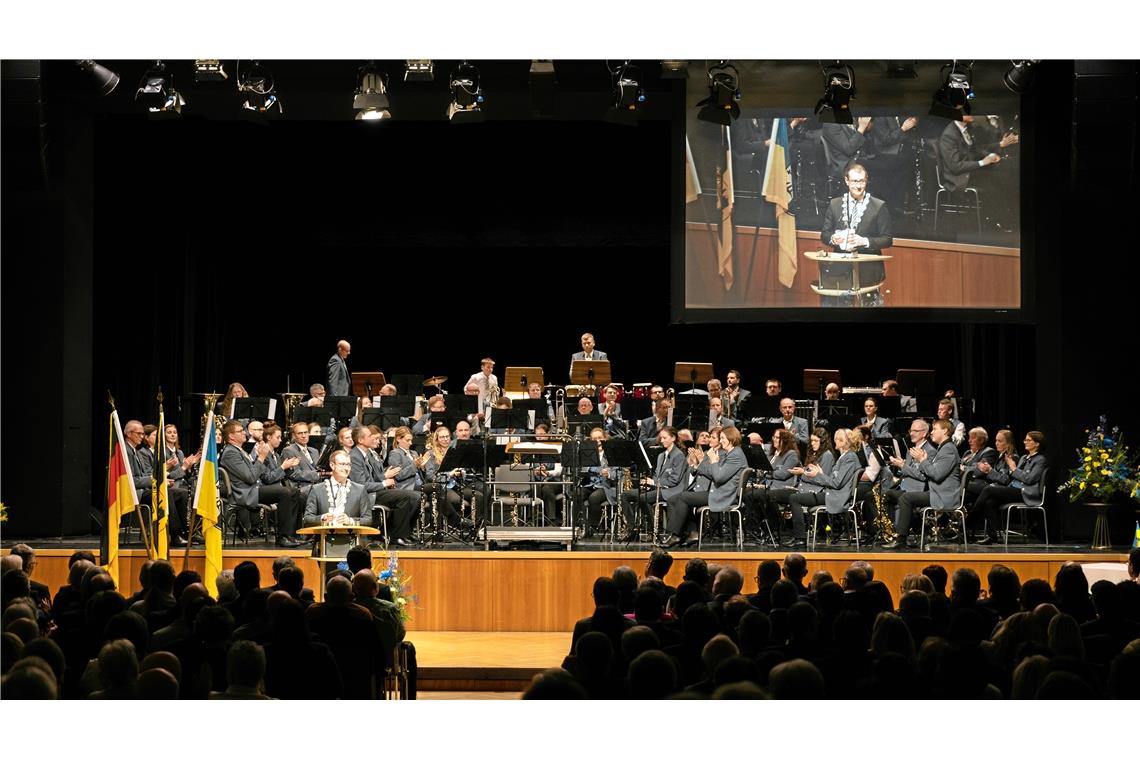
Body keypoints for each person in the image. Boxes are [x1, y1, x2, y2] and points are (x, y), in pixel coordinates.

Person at [819, 162, 893, 307]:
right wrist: (833, 238)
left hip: (868, 271)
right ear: (847, 181)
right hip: (840, 269)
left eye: (862, 181)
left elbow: (887, 239)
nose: (858, 186)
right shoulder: (835, 204)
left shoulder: (879, 206)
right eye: (854, 181)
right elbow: (824, 234)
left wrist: (864, 241)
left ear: (866, 181)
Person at [660, 427, 746, 548]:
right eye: (720, 438)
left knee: (684, 497)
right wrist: (700, 463)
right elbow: (712, 473)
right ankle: (691, 532)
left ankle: (675, 534)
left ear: (731, 438)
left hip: (723, 495)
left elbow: (718, 477)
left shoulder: (735, 455)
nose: (721, 441)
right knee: (674, 499)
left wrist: (714, 461)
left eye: (722, 438)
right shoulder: (731, 453)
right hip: (717, 491)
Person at [882, 419, 962, 549]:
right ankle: (900, 535)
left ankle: (902, 538)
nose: (932, 432)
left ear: (945, 431)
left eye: (935, 429)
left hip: (943, 495)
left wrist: (922, 460)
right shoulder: (944, 448)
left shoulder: (948, 449)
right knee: (902, 497)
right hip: (936, 492)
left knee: (906, 498)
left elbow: (936, 475)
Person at [975, 431, 1047, 545]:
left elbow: (1029, 479)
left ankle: (970, 516)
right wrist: (1012, 470)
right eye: (1025, 440)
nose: (1025, 442)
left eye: (1028, 440)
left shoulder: (1040, 460)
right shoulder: (1024, 457)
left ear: (1037, 444)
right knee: (989, 502)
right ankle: (992, 536)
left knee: (988, 490)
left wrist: (1013, 468)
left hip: (1025, 492)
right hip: (1013, 488)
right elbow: (1013, 477)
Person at [619, 426, 688, 542]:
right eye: (661, 438)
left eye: (664, 438)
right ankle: (632, 526)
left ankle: (653, 530)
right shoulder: (661, 456)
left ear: (673, 438)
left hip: (670, 490)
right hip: (657, 488)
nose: (661, 441)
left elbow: (674, 480)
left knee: (642, 498)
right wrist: (648, 483)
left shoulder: (679, 455)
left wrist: (654, 482)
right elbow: (657, 475)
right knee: (625, 495)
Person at [302, 450, 372, 527]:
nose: (346, 468)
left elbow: (368, 519)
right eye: (342, 464)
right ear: (332, 465)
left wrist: (350, 520)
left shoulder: (360, 490)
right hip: (323, 536)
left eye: (348, 465)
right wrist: (322, 518)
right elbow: (307, 518)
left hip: (352, 536)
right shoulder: (316, 489)